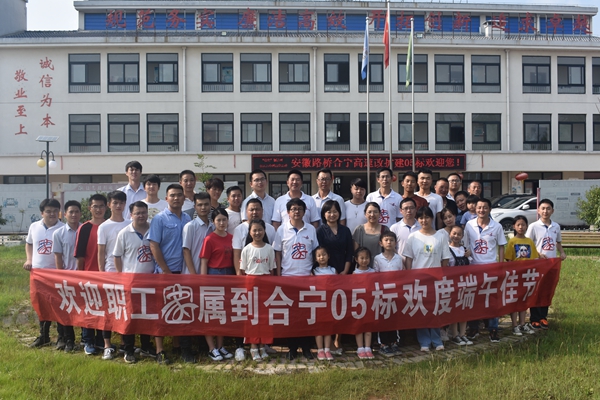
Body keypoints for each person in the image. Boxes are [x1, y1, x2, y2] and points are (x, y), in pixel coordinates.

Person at [148, 183, 191, 365]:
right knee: (161, 311)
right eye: (172, 195)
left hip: (183, 272)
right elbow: (153, 245)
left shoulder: (187, 218)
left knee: (180, 310)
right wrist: (165, 270)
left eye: (179, 195)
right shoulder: (159, 219)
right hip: (164, 273)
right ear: (166, 198)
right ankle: (160, 350)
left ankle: (177, 345)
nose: (176, 198)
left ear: (184, 198)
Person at [273, 198, 318, 360]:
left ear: (304, 212)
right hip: (288, 278)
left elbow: (315, 252)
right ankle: (292, 348)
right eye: (293, 209)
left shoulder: (311, 229)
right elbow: (278, 253)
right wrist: (279, 275)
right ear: (288, 212)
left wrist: (313, 272)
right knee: (291, 316)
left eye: (299, 209)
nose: (296, 211)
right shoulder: (281, 230)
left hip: (306, 278)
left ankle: (306, 348)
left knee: (306, 315)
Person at [403, 206, 451, 352]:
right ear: (417, 220)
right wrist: (410, 276)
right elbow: (409, 259)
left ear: (432, 218)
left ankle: (436, 340)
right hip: (418, 281)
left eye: (427, 217)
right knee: (421, 310)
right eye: (421, 218)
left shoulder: (441, 236)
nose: (424, 220)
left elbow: (445, 259)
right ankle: (424, 341)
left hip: (435, 280)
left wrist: (441, 275)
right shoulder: (413, 237)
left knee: (435, 310)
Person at [113, 201, 156, 363]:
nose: (141, 215)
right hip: (131, 282)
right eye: (137, 213)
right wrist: (121, 276)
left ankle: (145, 346)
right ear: (131, 215)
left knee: (147, 316)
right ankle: (129, 349)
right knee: (130, 317)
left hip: (150, 282)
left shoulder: (153, 229)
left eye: (143, 212)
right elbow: (117, 256)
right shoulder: (124, 233)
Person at [464, 198, 507, 343]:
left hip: (491, 267)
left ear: (490, 209)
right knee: (474, 299)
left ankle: (493, 328)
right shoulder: (469, 225)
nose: (482, 210)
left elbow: (501, 246)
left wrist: (501, 266)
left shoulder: (497, 226)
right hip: (474, 267)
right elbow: (466, 244)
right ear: (475, 209)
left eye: (485, 208)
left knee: (492, 299)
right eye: (479, 207)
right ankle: (473, 328)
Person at [24, 198, 64, 348]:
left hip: (56, 273)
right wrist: (29, 259)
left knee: (59, 304)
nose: (52, 214)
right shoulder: (34, 227)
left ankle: (61, 337)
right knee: (41, 304)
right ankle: (44, 336)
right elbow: (29, 244)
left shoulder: (63, 228)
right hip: (38, 273)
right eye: (48, 211)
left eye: (55, 211)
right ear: (42, 213)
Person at [97, 190, 130, 360]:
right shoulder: (104, 227)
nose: (118, 206)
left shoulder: (130, 224)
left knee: (125, 309)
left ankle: (125, 344)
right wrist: (102, 274)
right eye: (115, 203)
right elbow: (101, 252)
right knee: (108, 310)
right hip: (110, 273)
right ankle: (107, 345)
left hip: (128, 273)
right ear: (109, 205)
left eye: (121, 203)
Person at [525, 199, 567, 330]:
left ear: (552, 211)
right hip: (537, 264)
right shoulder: (533, 226)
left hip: (551, 264)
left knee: (547, 289)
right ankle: (534, 318)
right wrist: (537, 254)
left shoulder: (556, 226)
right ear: (538, 210)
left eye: (548, 208)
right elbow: (527, 244)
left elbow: (558, 242)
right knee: (536, 290)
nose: (545, 211)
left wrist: (562, 252)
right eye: (543, 208)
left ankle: (543, 316)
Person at [200, 208, 235, 362]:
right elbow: (204, 261)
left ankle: (220, 346)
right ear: (213, 222)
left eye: (224, 220)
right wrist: (203, 282)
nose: (221, 223)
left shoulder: (232, 238)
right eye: (218, 220)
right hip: (214, 275)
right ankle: (211, 348)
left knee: (223, 313)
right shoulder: (209, 239)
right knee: (211, 313)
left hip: (229, 275)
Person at [74, 193, 107, 354]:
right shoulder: (85, 228)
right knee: (88, 309)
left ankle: (101, 340)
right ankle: (88, 340)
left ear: (106, 208)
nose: (98, 209)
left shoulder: (109, 226)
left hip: (106, 276)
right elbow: (80, 255)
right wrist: (81, 275)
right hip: (88, 275)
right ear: (89, 208)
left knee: (104, 309)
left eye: (101, 206)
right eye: (95, 206)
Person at [240, 219, 276, 361]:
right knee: (252, 317)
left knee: (265, 316)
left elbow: (272, 269)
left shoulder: (269, 249)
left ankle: (262, 345)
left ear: (264, 231)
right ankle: (253, 346)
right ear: (250, 232)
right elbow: (242, 271)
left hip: (266, 283)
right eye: (254, 230)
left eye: (260, 230)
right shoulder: (246, 249)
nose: (257, 233)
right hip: (251, 283)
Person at [52, 200, 82, 352]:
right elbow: (58, 256)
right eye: (71, 212)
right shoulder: (59, 233)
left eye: (76, 211)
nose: (74, 214)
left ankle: (86, 339)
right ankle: (69, 340)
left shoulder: (85, 230)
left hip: (84, 277)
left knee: (85, 308)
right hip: (67, 277)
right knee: (66, 309)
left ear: (81, 214)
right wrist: (60, 276)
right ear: (65, 214)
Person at [504, 216, 539, 336]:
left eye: (523, 225)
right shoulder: (512, 242)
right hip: (515, 276)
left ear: (526, 226)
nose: (521, 227)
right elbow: (509, 259)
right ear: (514, 226)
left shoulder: (529, 241)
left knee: (524, 299)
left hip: (527, 275)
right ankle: (514, 325)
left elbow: (534, 258)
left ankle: (523, 323)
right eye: (518, 225)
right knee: (515, 299)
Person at [373, 231, 403, 356]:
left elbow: (402, 275)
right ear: (381, 243)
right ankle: (383, 344)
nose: (389, 242)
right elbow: (375, 276)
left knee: (394, 318)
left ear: (396, 243)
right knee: (383, 318)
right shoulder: (377, 258)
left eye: (391, 240)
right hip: (382, 294)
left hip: (395, 293)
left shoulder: (399, 259)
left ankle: (394, 342)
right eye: (386, 240)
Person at [446, 225, 473, 346]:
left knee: (464, 309)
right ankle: (455, 334)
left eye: (459, 234)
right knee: (454, 310)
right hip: (453, 285)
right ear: (450, 234)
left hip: (465, 284)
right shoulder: (447, 249)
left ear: (462, 236)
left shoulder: (465, 250)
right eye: (454, 233)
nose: (456, 236)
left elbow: (470, 265)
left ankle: (463, 334)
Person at [311, 246, 337, 361]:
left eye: (324, 254)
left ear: (328, 256)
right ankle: (320, 350)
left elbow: (338, 285)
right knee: (319, 328)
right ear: (315, 258)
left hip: (330, 303)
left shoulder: (333, 270)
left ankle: (327, 349)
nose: (322, 257)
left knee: (328, 328)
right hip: (318, 304)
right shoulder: (313, 272)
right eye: (319, 255)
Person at [316, 200, 353, 275]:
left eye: (335, 211)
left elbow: (349, 252)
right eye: (329, 212)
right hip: (326, 270)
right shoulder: (320, 231)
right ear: (324, 214)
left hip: (344, 268)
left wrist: (345, 271)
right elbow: (319, 252)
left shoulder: (345, 230)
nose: (332, 214)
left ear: (339, 213)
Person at [352, 247, 375, 360]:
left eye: (367, 258)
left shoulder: (373, 272)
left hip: (370, 303)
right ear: (356, 259)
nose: (364, 260)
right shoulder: (354, 273)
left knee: (368, 326)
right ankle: (360, 348)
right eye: (362, 258)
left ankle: (368, 347)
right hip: (358, 304)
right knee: (359, 326)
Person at [182, 192, 214, 275]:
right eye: (200, 205)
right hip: (191, 274)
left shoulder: (213, 227)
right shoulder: (190, 226)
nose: (203, 207)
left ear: (210, 206)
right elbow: (186, 251)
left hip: (209, 273)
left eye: (206, 204)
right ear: (195, 207)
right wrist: (194, 275)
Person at [352, 202, 390, 269]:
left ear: (380, 214)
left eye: (375, 212)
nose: (372, 215)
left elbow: (389, 249)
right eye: (369, 212)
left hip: (381, 267)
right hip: (363, 268)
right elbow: (356, 251)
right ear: (365, 214)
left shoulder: (385, 230)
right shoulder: (359, 230)